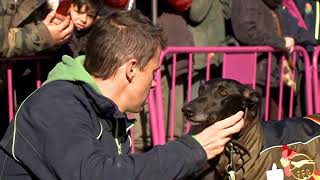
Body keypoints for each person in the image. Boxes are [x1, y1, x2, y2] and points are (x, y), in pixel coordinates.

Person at [0, 10, 244, 179]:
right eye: (153, 72)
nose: (154, 84)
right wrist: (193, 148)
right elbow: (100, 176)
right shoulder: (54, 105)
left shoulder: (106, 112)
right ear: (131, 69)